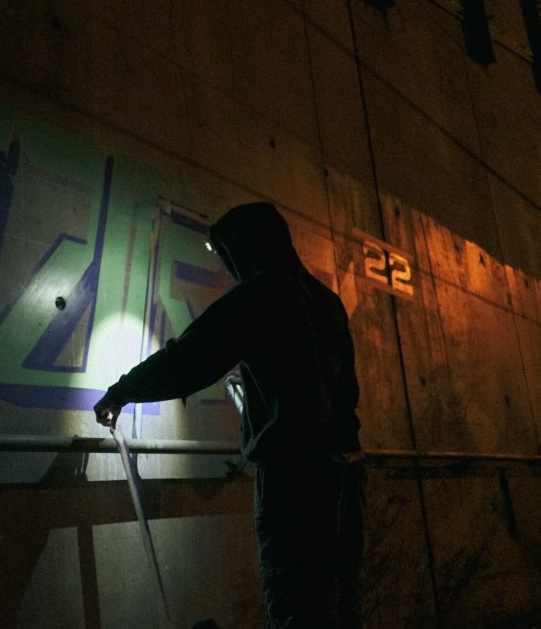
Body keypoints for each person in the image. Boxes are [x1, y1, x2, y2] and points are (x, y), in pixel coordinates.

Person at [93, 202, 365, 629]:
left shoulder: (260, 296)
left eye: (226, 255)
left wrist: (122, 391)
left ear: (245, 248)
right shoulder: (326, 302)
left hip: (293, 483)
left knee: (296, 607)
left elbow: (189, 359)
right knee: (339, 605)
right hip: (346, 476)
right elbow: (338, 389)